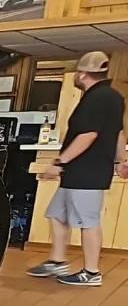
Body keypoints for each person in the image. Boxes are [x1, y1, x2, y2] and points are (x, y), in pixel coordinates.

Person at [28, 51, 128, 286]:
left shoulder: (96, 99)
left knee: (88, 222)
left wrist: (59, 162)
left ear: (82, 74)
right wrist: (119, 160)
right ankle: (57, 261)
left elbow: (88, 134)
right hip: (81, 172)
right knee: (56, 214)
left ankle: (91, 273)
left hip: (86, 173)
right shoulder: (113, 96)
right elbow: (119, 133)